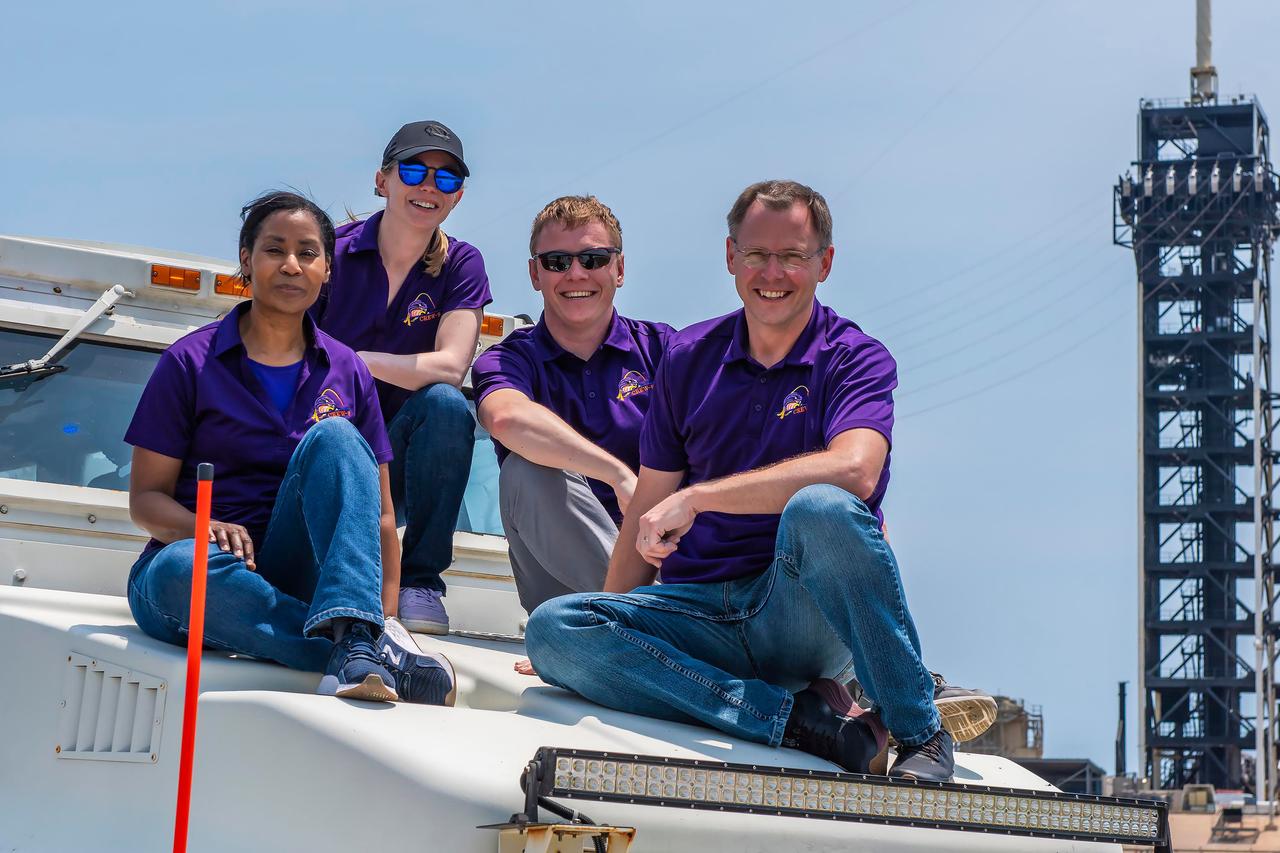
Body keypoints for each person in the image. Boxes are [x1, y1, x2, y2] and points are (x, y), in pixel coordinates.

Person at [525, 180, 956, 781]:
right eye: (756, 254)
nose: (771, 272)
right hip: (699, 611)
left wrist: (700, 497)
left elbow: (856, 469)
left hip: (799, 615)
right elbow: (648, 504)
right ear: (731, 258)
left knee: (822, 509)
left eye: (793, 255)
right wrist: (601, 635)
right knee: (553, 628)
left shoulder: (856, 357)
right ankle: (802, 722)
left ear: (824, 263)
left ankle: (921, 731)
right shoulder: (686, 358)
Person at [126, 191, 454, 706]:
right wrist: (204, 527)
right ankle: (351, 649)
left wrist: (388, 617)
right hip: (212, 574)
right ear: (246, 261)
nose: (291, 265)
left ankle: (363, 636)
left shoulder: (348, 370)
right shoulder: (188, 361)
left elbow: (383, 517)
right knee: (175, 570)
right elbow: (145, 499)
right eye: (274, 250)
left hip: (309, 576)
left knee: (338, 436)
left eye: (307, 253)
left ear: (327, 270)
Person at [310, 120, 492, 635]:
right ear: (382, 180)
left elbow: (452, 366)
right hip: (325, 440)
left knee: (447, 405)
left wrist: (349, 358)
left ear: (457, 197)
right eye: (414, 169)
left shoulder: (462, 264)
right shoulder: (329, 254)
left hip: (408, 455)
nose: (429, 186)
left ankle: (420, 582)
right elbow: (292, 360)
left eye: (447, 178)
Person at [472, 196, 673, 613]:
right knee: (525, 469)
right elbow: (506, 417)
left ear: (619, 269)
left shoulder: (668, 350)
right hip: (566, 595)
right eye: (558, 261)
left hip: (668, 567)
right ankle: (644, 619)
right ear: (535, 273)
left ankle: (644, 623)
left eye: (594, 259)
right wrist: (619, 477)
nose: (576, 273)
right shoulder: (508, 360)